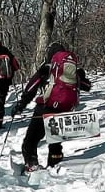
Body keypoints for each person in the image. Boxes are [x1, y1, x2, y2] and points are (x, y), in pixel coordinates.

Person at [11, 42, 91, 172]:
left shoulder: (47, 68)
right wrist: (80, 76)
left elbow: (32, 87)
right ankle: (55, 165)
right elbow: (87, 86)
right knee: (55, 142)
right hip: (64, 109)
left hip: (45, 107)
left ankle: (32, 164)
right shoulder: (71, 72)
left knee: (30, 140)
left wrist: (21, 104)